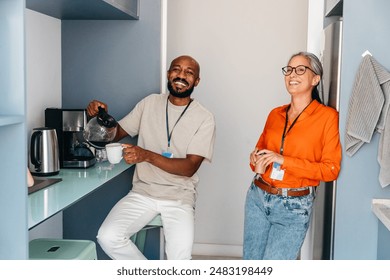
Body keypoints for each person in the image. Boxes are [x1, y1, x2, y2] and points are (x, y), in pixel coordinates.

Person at [87, 55, 216, 260]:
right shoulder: (150, 103)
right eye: (176, 69)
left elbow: (189, 167)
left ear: (196, 81)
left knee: (179, 260)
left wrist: (146, 155)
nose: (181, 75)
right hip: (143, 192)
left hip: (179, 197)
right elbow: (115, 134)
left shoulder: (204, 117)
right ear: (168, 74)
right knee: (108, 237)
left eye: (188, 72)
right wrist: (101, 117)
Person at [243, 51, 342, 260]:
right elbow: (260, 150)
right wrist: (255, 159)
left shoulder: (327, 117)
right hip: (258, 197)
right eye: (288, 70)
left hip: (293, 205)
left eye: (300, 70)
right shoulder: (275, 114)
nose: (291, 75)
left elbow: (330, 170)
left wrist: (284, 161)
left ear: (315, 79)